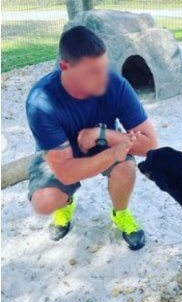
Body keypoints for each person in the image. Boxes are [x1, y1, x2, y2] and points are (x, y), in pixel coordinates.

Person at [25, 26, 158, 250]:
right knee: (45, 202)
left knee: (125, 168)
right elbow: (66, 171)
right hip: (62, 152)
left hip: (103, 143)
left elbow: (150, 145)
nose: (103, 78)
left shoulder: (115, 84)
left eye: (104, 67)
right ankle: (65, 204)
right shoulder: (40, 100)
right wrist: (113, 153)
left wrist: (103, 134)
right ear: (65, 67)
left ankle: (121, 213)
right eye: (93, 71)